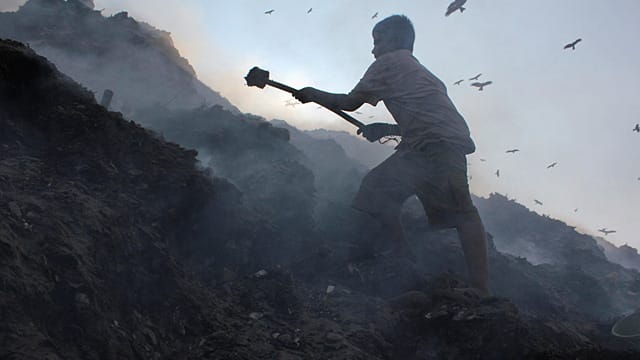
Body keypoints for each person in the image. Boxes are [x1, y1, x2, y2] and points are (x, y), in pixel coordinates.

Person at [293, 15, 489, 296]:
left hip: (435, 147)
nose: (373, 50)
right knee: (378, 192)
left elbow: (348, 102)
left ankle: (479, 289)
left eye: (378, 42)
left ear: (396, 41)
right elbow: (426, 117)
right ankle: (403, 259)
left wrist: (312, 94)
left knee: (462, 213)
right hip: (432, 145)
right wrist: (385, 128)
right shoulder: (420, 72)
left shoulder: (388, 62)